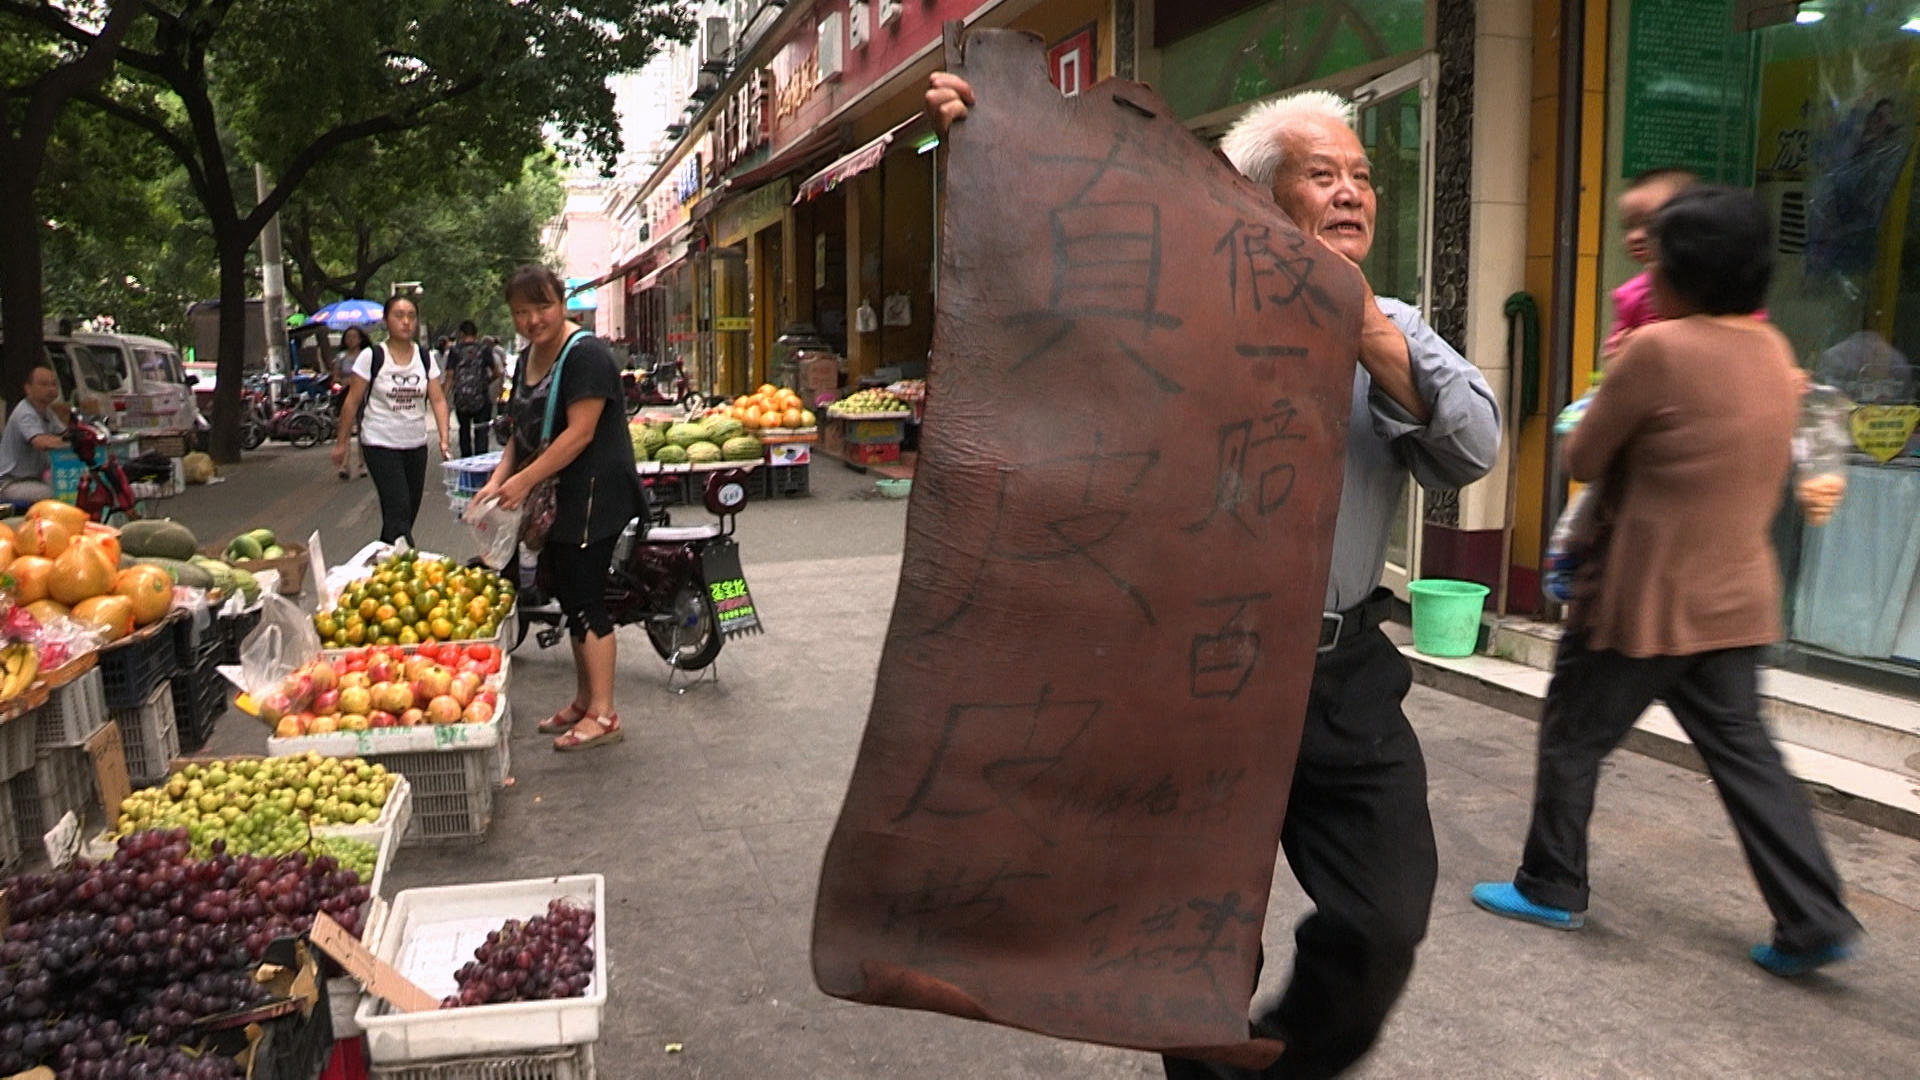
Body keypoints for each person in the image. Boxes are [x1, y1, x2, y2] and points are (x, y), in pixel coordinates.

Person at [924, 77, 1501, 1078]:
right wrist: (996, 150)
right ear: (1261, 196)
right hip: (1192, 675)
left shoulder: (1391, 323)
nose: (1354, 192)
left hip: (1341, 677)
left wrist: (1366, 331)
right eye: (1323, 175)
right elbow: (1037, 308)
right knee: (1191, 949)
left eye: (1363, 175)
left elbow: (1475, 446)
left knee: (1385, 918)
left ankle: (1281, 1067)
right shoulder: (1168, 316)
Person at [1470, 187, 1861, 977]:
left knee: (1574, 737)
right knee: (1749, 760)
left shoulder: (1657, 350)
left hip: (1640, 604)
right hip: (1737, 603)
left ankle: (1552, 884)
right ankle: (1813, 914)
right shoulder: (1777, 354)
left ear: (1677, 275)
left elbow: (1583, 459)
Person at [473, 266, 644, 752]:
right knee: (569, 596)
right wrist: (498, 480)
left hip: (593, 493)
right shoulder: (528, 356)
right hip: (557, 498)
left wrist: (524, 481)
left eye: (542, 306)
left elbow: (579, 433)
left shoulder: (585, 355)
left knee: (586, 597)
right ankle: (585, 701)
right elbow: (522, 433)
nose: (533, 320)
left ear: (562, 300)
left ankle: (605, 714)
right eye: (521, 312)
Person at [331, 295, 451, 545]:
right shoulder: (372, 356)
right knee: (398, 506)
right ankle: (408, 563)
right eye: (399, 315)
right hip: (379, 442)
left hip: (416, 444)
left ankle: (384, 560)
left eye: (411, 316)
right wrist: (342, 443)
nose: (406, 322)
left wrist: (444, 438)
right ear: (386, 321)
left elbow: (438, 400)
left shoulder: (425, 357)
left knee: (406, 513)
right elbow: (352, 401)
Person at [0, 363, 71, 504]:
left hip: (34, 479)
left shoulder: (47, 411)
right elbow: (40, 441)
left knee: (71, 486)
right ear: (28, 388)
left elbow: (65, 433)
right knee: (58, 494)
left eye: (53, 384)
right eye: (43, 384)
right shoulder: (25, 412)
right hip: (12, 483)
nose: (50, 389)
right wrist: (71, 440)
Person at [445, 320, 505, 459]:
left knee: (464, 431)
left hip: (461, 398)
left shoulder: (455, 351)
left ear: (461, 333)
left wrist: (444, 397)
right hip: (482, 397)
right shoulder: (484, 349)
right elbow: (497, 372)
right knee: (482, 432)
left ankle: (466, 462)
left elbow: (450, 376)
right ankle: (481, 462)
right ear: (476, 334)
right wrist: (486, 382)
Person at [333, 325, 373, 480]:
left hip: (363, 395)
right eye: (348, 337)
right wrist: (344, 381)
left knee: (363, 430)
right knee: (346, 428)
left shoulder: (366, 356)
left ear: (361, 339)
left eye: (354, 336)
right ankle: (344, 464)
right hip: (345, 394)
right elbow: (335, 377)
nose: (351, 340)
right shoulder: (341, 357)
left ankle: (362, 464)